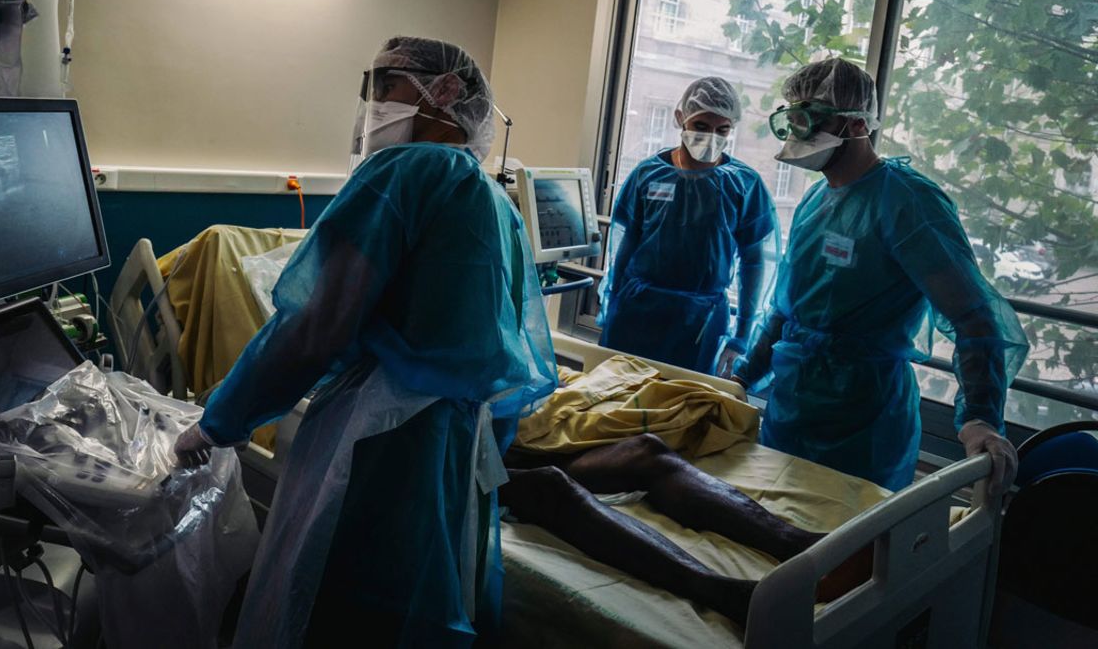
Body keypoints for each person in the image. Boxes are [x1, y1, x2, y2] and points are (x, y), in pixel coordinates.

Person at [174, 36, 557, 648]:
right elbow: (509, 358)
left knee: (342, 604)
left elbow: (314, 327)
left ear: (447, 91)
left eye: (386, 86)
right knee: (414, 607)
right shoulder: (492, 196)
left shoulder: (407, 170)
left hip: (384, 441)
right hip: (454, 443)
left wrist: (221, 420)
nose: (372, 104)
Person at [729, 57, 1027, 493]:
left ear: (854, 125)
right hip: (792, 410)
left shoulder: (906, 203)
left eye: (808, 118)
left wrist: (979, 418)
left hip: (863, 421)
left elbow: (974, 318)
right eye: (791, 118)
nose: (797, 133)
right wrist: (741, 378)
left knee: (848, 548)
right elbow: (786, 311)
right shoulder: (815, 202)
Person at [499, 433, 871, 626]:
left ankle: (804, 544)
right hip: (459, 457)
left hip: (502, 436)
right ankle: (724, 593)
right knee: (547, 484)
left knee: (647, 450)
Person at [599, 77, 779, 374]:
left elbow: (755, 262)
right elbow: (626, 240)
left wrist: (742, 336)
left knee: (681, 407)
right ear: (680, 118)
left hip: (700, 321)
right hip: (636, 310)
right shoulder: (649, 174)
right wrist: (614, 298)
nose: (711, 137)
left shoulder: (743, 185)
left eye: (722, 130)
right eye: (701, 126)